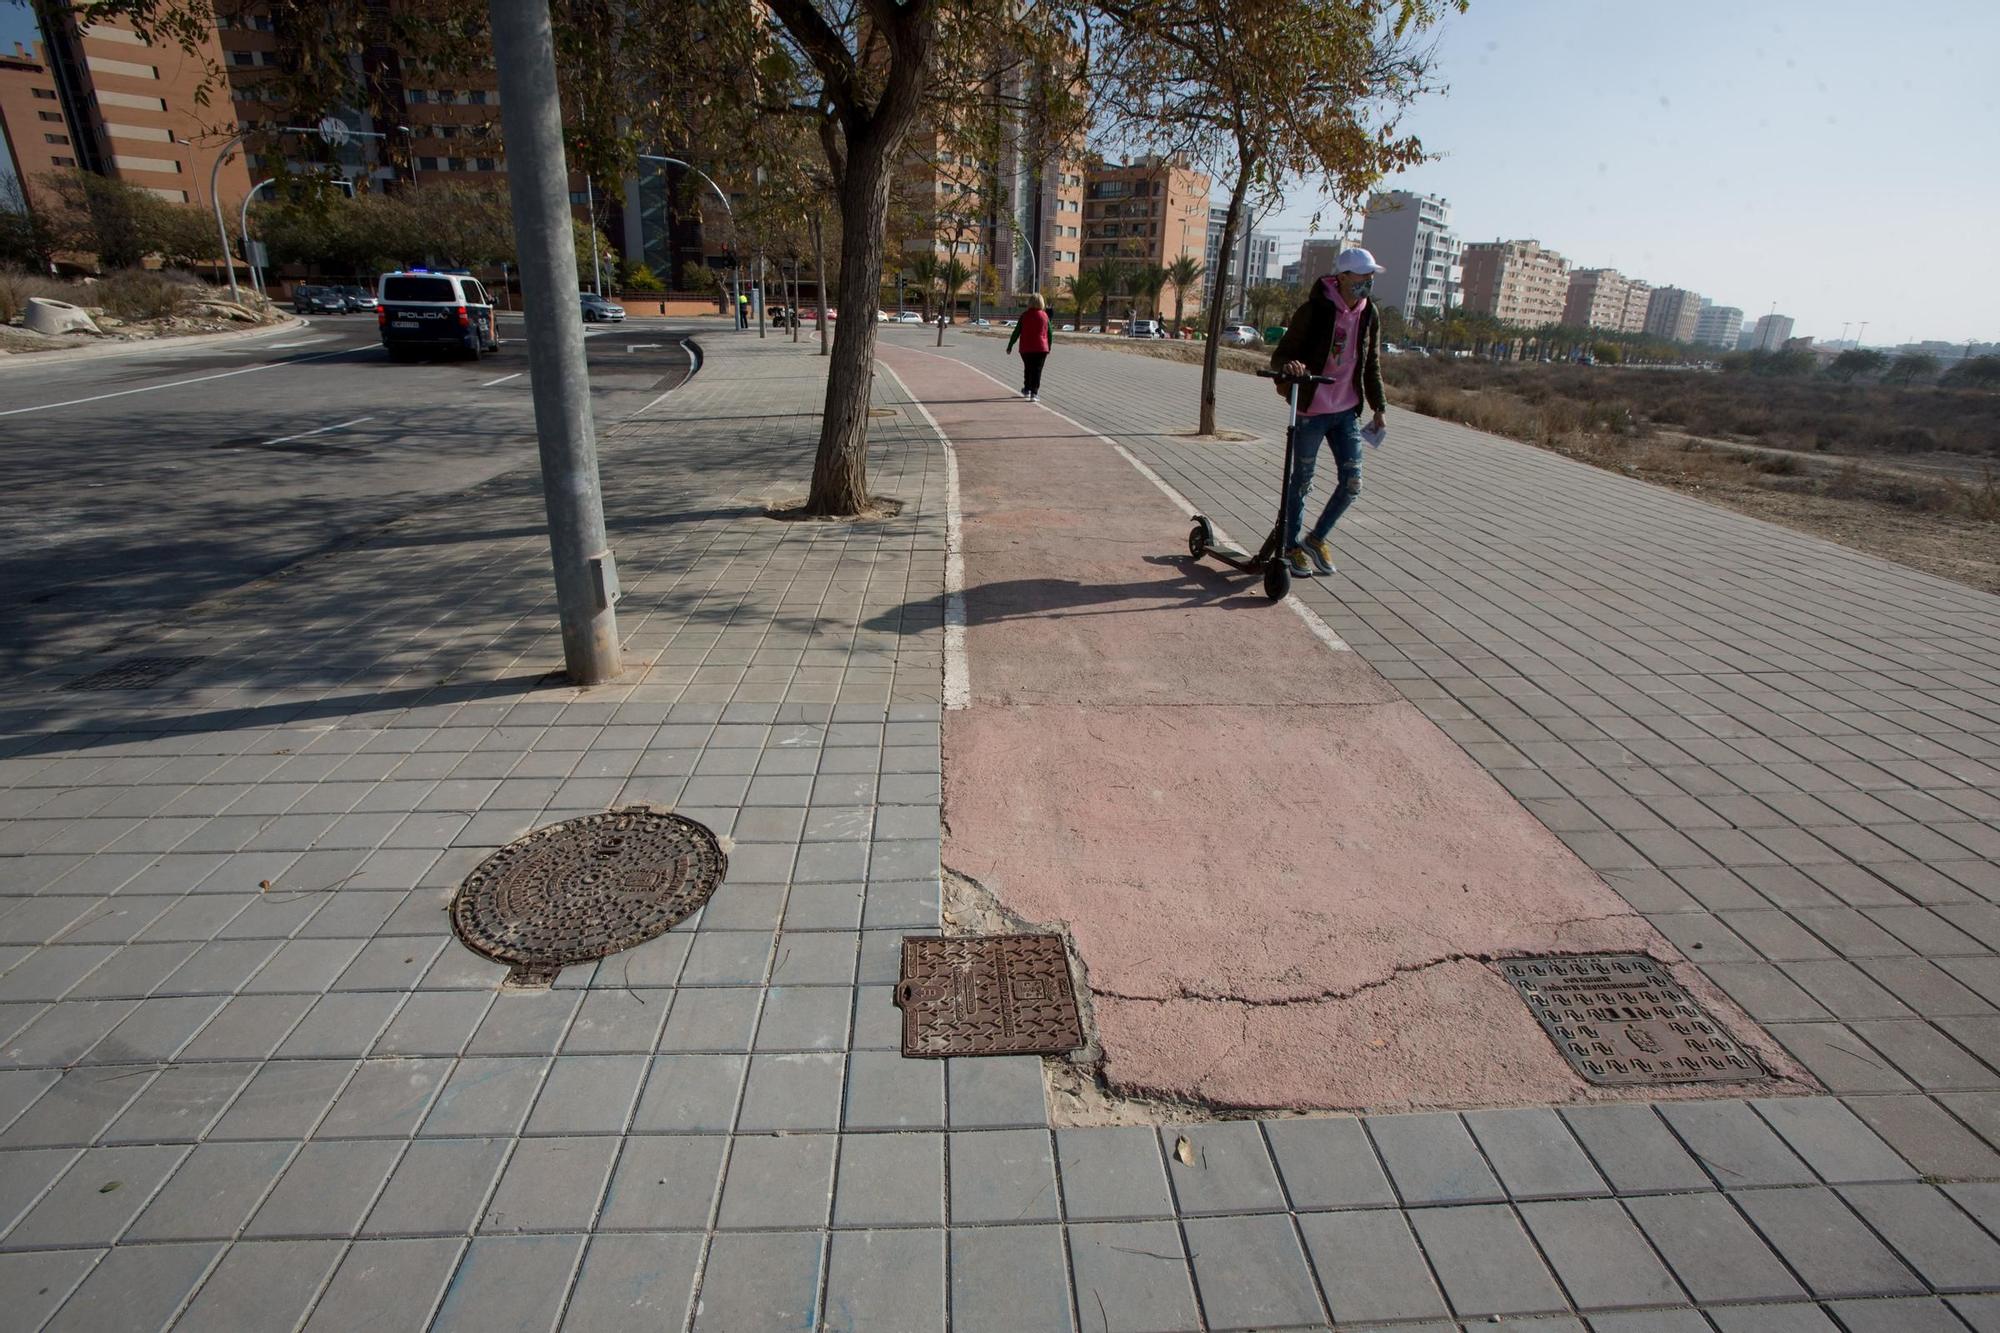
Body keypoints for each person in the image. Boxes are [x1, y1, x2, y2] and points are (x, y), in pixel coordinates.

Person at [1270, 247, 1388, 578]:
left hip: (1347, 411)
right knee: (1302, 481)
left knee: (1353, 482)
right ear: (1343, 277)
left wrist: (1379, 406)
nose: (1368, 282)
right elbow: (1281, 357)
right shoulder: (1315, 310)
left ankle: (1316, 538)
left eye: (1371, 277)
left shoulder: (1369, 314)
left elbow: (1371, 363)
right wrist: (1292, 367)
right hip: (1313, 408)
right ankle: (1290, 546)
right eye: (1363, 276)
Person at [1006, 292, 1052, 401]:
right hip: (1041, 348)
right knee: (1037, 370)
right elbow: (1050, 332)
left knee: (1028, 368)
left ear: (1029, 303)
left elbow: (1016, 331)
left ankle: (1027, 389)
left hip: (1026, 349)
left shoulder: (1024, 315)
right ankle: (1034, 393)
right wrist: (1049, 346)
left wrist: (1010, 345)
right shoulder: (1045, 316)